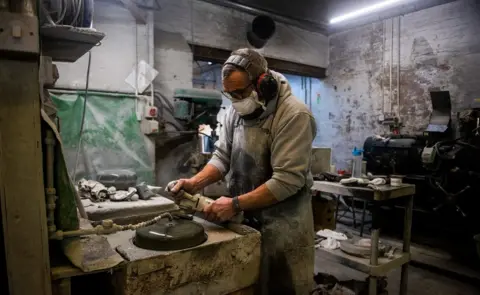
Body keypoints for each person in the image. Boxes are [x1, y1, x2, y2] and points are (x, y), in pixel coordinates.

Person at [169, 48, 317, 295]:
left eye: (240, 92)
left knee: (281, 287)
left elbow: (287, 180)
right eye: (230, 94)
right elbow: (221, 157)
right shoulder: (235, 112)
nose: (236, 100)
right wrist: (194, 183)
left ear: (264, 84)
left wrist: (235, 204)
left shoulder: (293, 115)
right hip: (245, 217)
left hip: (283, 225)